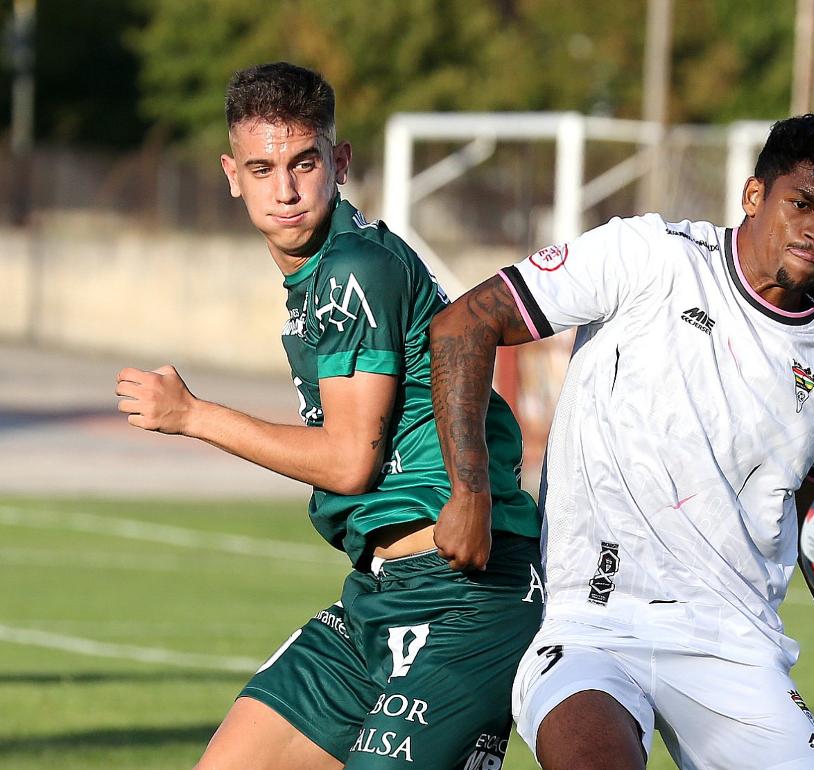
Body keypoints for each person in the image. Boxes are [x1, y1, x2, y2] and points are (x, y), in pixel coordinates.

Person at [428, 114, 814, 770]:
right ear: (753, 196)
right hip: (591, 622)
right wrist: (470, 490)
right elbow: (465, 323)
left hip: (736, 648)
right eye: (801, 204)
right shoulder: (649, 256)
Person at [114, 62, 543, 770]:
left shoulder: (353, 269)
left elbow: (349, 461)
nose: (283, 190)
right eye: (261, 167)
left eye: (303, 163)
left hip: (464, 597)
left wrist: (192, 415)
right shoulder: (317, 282)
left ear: (338, 162)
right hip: (381, 595)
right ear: (231, 174)